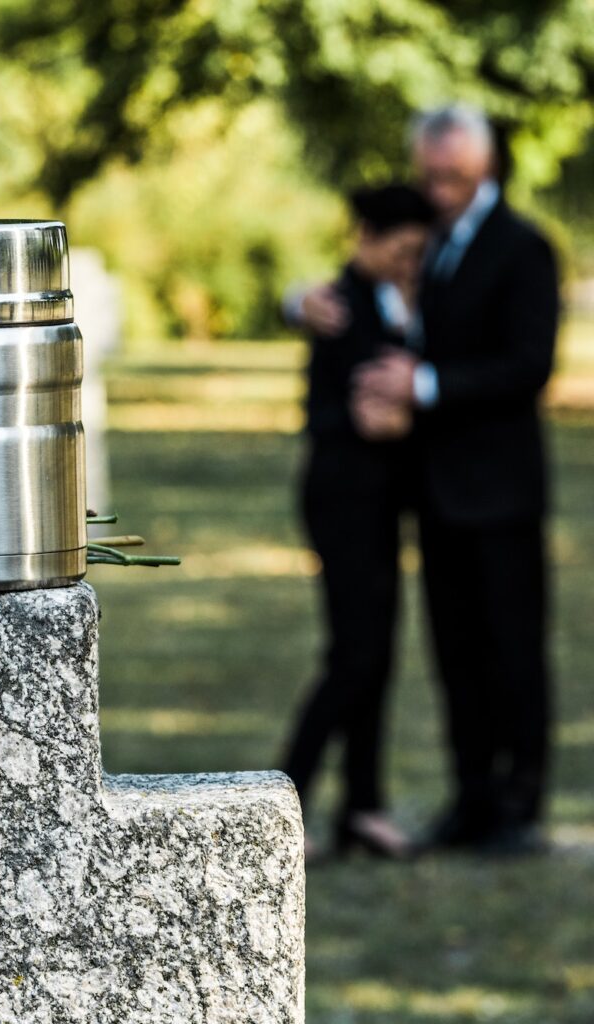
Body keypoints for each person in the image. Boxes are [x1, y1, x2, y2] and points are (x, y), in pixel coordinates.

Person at [293, 105, 560, 855]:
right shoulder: (422, 245)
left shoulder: (524, 248)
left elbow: (529, 366)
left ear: (489, 170)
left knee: (513, 649)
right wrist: (293, 301)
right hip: (432, 496)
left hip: (501, 491)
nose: (439, 190)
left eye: (456, 177)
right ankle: (470, 796)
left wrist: (428, 385)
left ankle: (517, 804)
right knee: (454, 657)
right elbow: (352, 290)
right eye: (431, 175)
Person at [282, 184, 438, 861]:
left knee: (378, 651)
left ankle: (363, 807)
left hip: (381, 505)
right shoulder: (336, 304)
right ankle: (283, 800)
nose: (409, 263)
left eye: (417, 253)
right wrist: (363, 421)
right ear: (367, 237)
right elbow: (318, 411)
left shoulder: (397, 300)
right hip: (341, 498)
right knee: (352, 657)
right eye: (400, 250)